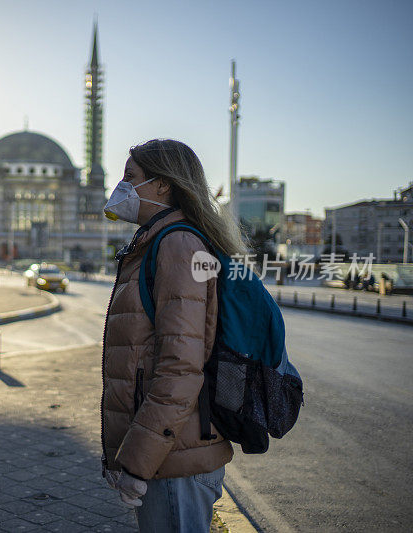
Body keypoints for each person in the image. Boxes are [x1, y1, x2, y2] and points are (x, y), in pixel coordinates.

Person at [100, 139, 245, 532]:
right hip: (169, 453)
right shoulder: (156, 242)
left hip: (173, 460)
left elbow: (181, 367)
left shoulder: (177, 244)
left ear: (162, 185)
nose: (121, 186)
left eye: (131, 178)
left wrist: (138, 460)